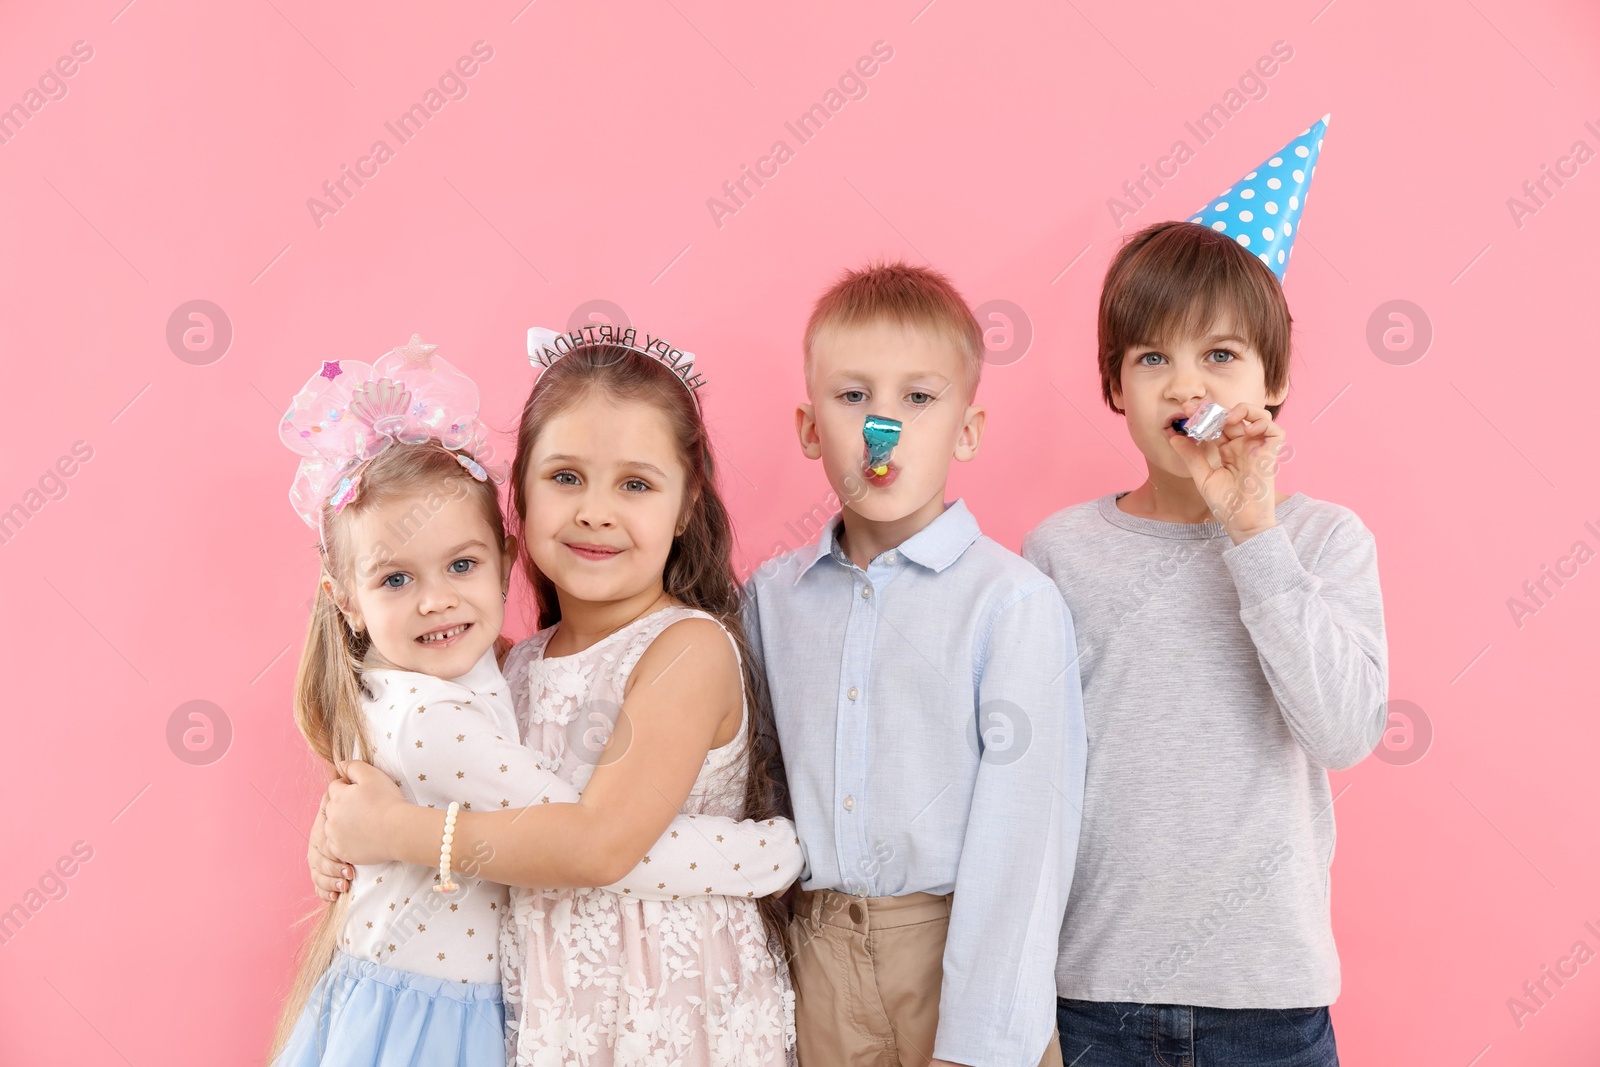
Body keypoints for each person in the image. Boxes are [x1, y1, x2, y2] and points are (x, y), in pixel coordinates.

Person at [276, 339, 796, 1066]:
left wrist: (394, 830)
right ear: (517, 495)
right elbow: (439, 772)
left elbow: (598, 844)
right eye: (566, 477)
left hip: (669, 1010)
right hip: (551, 1013)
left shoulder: (687, 651)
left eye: (636, 485)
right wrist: (341, 832)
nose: (595, 512)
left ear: (687, 506)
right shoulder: (508, 666)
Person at [1027, 118, 1388, 1067]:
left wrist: (1252, 531)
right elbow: (1029, 779)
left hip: (1270, 1001)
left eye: (1220, 356)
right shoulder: (1060, 553)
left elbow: (1345, 731)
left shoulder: (1320, 539)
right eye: (1152, 358)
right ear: (1114, 383)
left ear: (1274, 382)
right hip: (1095, 995)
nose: (1185, 383)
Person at [745, 262, 1085, 1066]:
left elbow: (1024, 842)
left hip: (956, 952)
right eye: (854, 396)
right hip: (816, 954)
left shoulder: (1011, 603)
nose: (881, 426)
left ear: (966, 430)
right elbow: (757, 783)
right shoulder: (771, 598)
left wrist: (980, 1043)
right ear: (807, 426)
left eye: (918, 399)